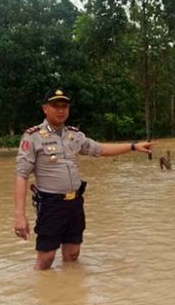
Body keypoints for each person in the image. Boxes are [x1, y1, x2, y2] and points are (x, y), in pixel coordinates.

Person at [14, 89, 154, 270]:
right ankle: (40, 294)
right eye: (55, 106)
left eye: (64, 106)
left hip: (74, 203)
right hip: (50, 204)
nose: (60, 110)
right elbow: (21, 175)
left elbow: (100, 149)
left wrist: (133, 146)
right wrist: (19, 216)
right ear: (45, 109)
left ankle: (69, 293)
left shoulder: (74, 135)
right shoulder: (33, 137)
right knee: (46, 258)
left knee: (73, 254)